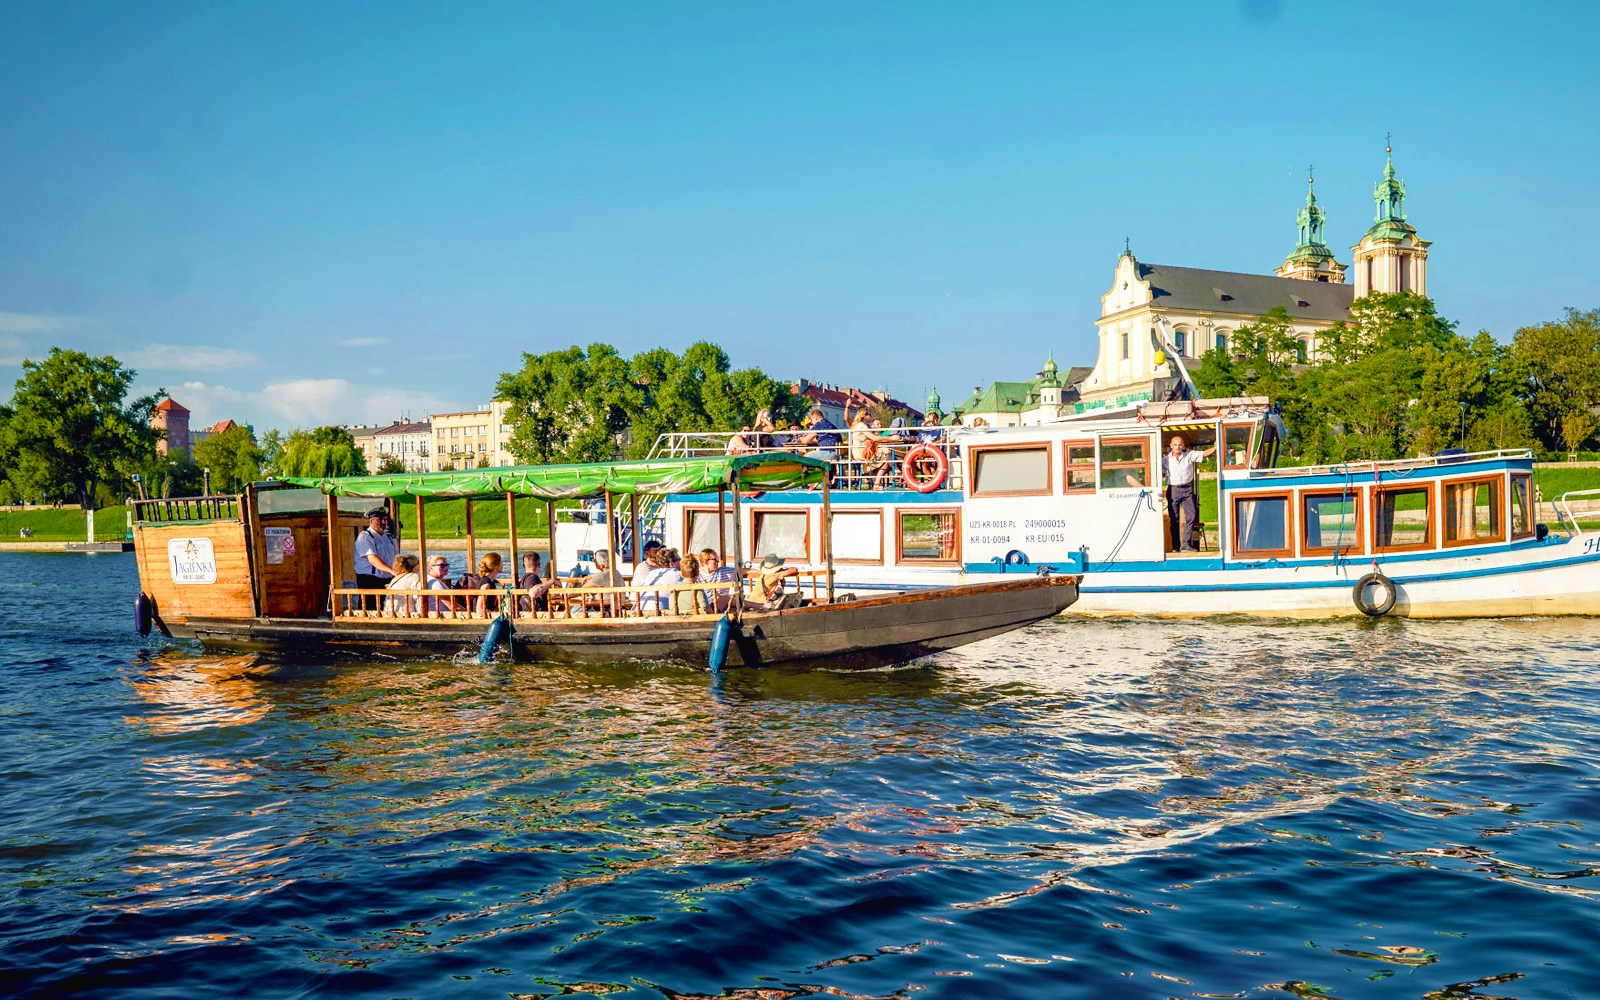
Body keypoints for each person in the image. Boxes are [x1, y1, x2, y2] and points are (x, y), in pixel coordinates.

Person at [1163, 434, 1214, 552]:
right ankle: (1176, 546)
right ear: (1171, 446)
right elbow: (1153, 466)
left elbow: (1204, 453)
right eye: (1175, 445)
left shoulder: (1189, 456)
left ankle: (1186, 544)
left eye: (1180, 444)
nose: (1178, 447)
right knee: (1174, 519)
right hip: (1173, 490)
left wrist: (1215, 448)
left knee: (1191, 517)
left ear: (1183, 446)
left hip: (1187, 489)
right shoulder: (1166, 460)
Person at [353, 507, 398, 610]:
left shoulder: (390, 538)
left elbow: (397, 558)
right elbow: (372, 559)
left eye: (384, 519)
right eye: (379, 519)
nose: (382, 522)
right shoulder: (365, 537)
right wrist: (391, 570)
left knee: (387, 608)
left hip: (387, 580)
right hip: (369, 580)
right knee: (369, 609)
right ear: (371, 521)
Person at [634, 546, 682, 613]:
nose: (681, 562)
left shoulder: (652, 573)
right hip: (661, 613)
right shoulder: (678, 574)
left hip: (639, 611)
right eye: (679, 560)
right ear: (671, 563)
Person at [699, 548, 739, 612]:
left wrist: (760, 571)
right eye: (715, 559)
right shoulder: (697, 576)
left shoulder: (723, 571)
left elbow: (740, 571)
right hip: (706, 607)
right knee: (726, 599)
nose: (718, 561)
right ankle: (758, 605)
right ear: (705, 561)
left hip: (721, 606)